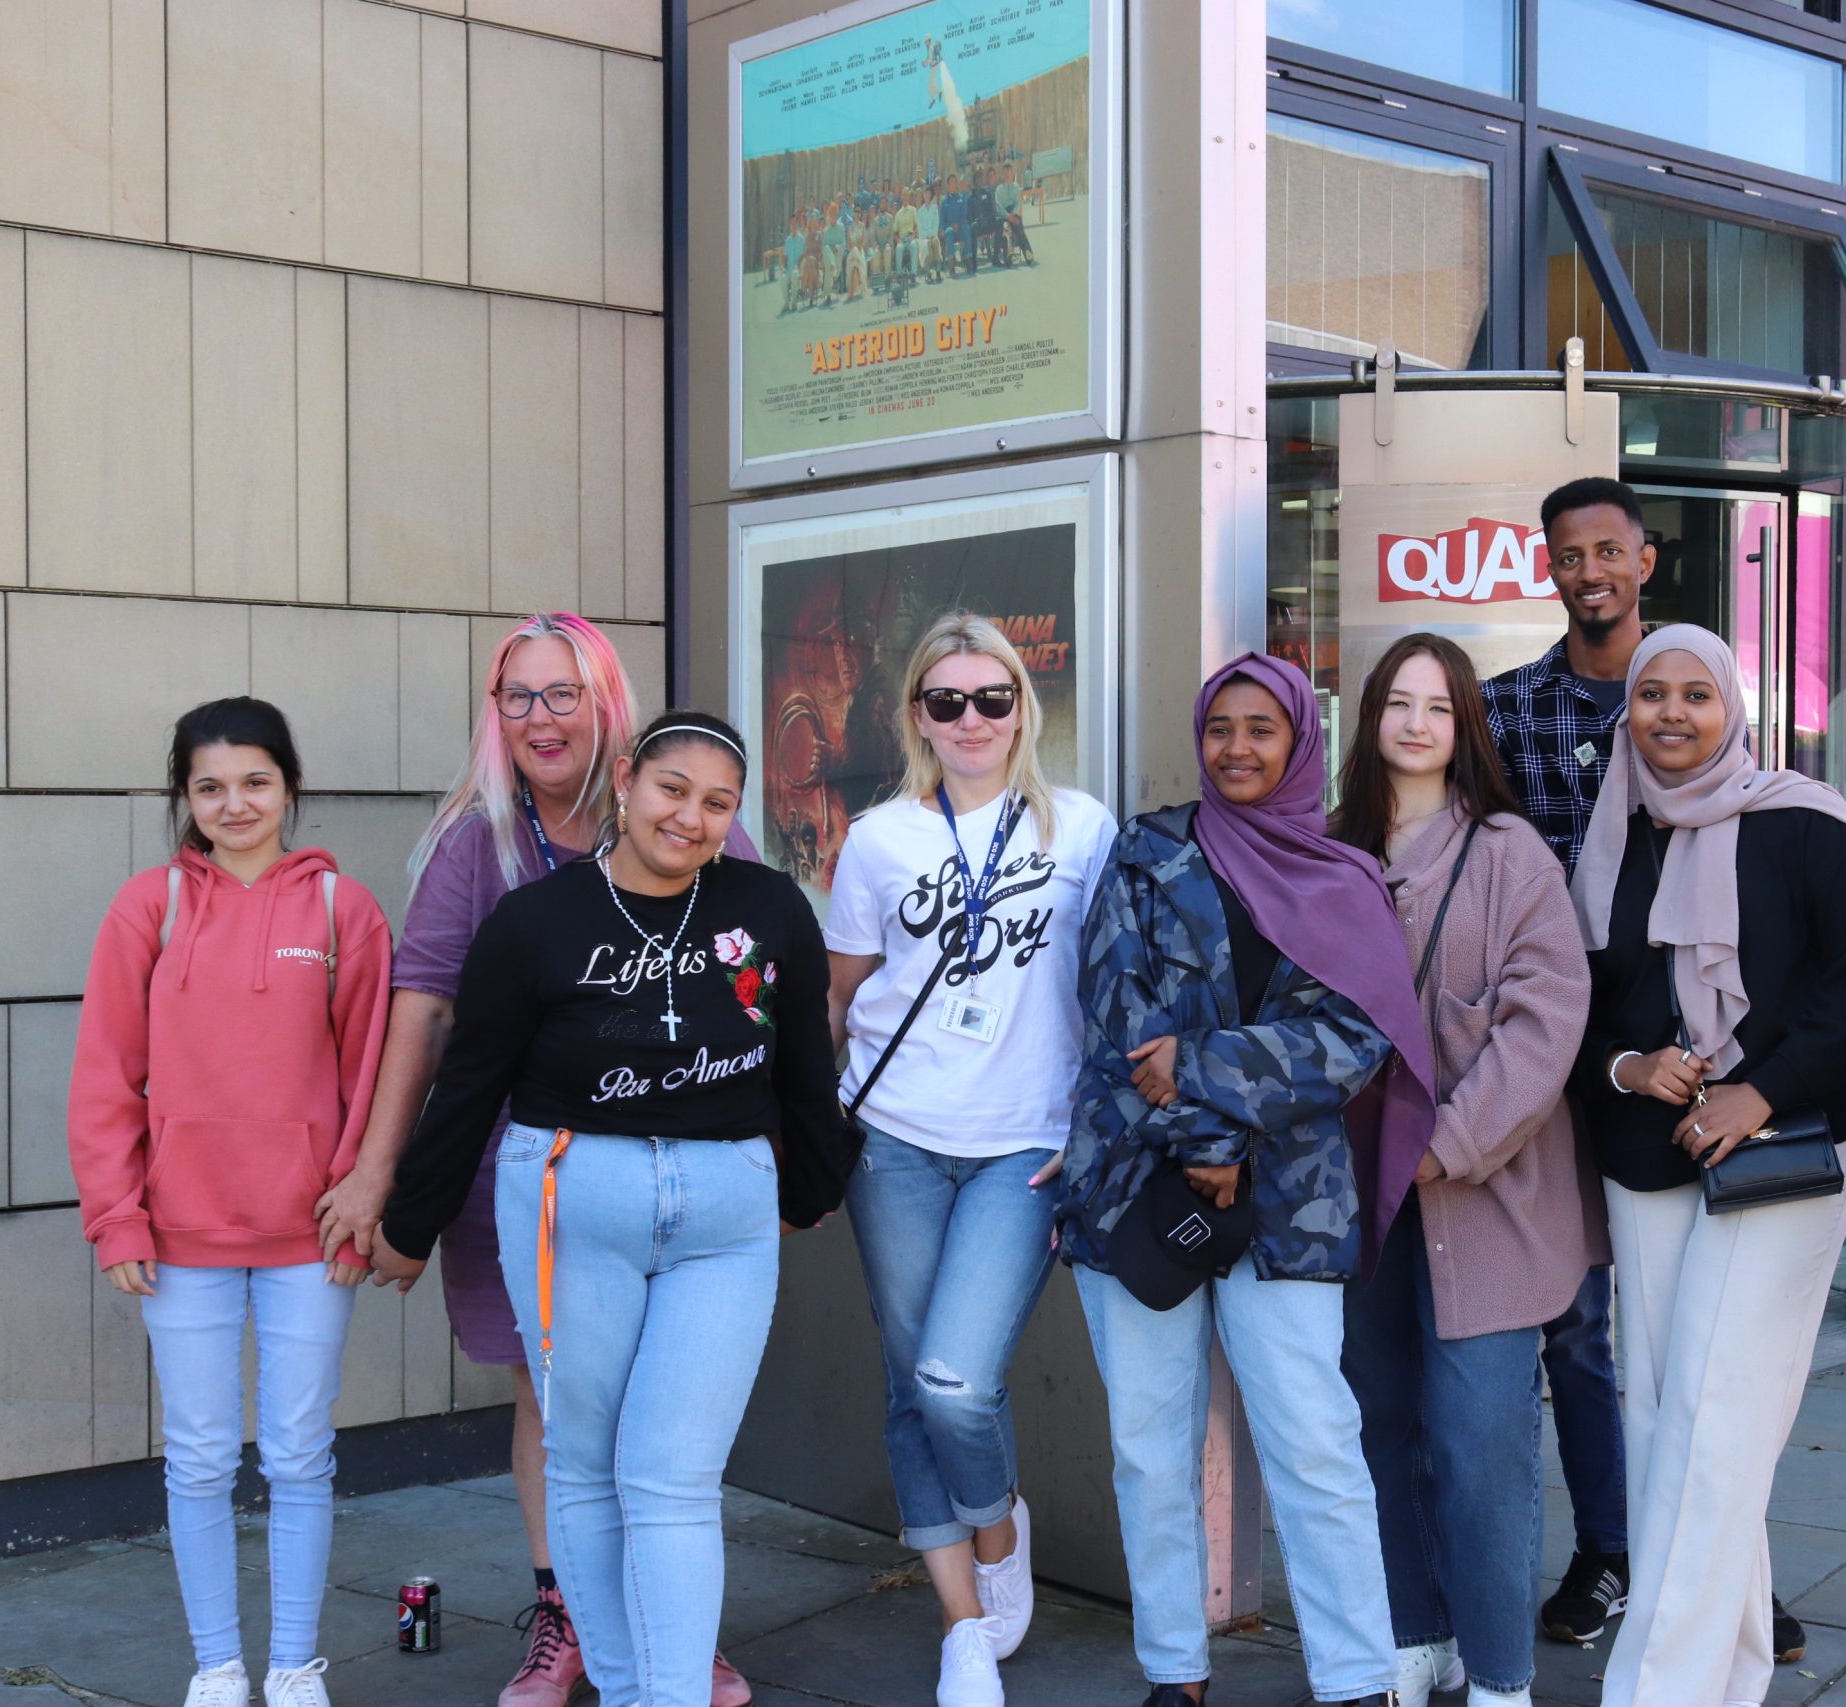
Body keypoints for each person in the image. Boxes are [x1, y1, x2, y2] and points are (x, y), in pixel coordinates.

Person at [314, 613, 760, 1707]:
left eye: (562, 693)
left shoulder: (686, 815)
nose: (539, 718)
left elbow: (767, 991)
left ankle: (666, 1624)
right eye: (517, 696)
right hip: (519, 1174)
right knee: (557, 1404)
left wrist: (782, 1159)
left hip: (685, 1173)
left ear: (606, 703)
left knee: (660, 1417)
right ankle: (571, 1617)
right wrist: (379, 1176)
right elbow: (421, 1012)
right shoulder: (482, 842)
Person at [368, 712, 850, 1707]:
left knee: (673, 1476)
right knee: (585, 1461)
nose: (692, 817)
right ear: (626, 782)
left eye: (718, 802)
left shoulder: (766, 909)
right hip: (569, 1198)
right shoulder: (535, 923)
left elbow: (809, 1067)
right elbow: (471, 1083)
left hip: (724, 1212)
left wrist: (807, 1190)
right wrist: (409, 1221)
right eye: (674, 789)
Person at [1058, 653, 1438, 1707]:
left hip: (1289, 1205)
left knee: (1314, 1444)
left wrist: (1217, 1100)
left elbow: (1355, 1039)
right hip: (1138, 1186)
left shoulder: (1341, 875)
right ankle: (1174, 1672)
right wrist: (1201, 1143)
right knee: (1148, 1447)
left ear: (1298, 742)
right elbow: (1116, 1015)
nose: (1235, 748)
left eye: (1260, 728)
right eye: (1219, 727)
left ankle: (1358, 1680)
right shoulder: (1147, 852)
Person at [1569, 626, 1846, 1707]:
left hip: (1788, 1144)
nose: (1671, 714)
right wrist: (1631, 1064)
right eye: (1650, 694)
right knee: (1665, 1412)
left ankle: (1655, 1687)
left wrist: (1755, 1088)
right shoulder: (1609, 838)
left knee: (1717, 1412)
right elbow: (1574, 1002)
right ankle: (1734, 1664)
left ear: (1733, 709)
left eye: (1694, 695)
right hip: (1644, 1148)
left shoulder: (1807, 824)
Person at [69, 698, 393, 1707]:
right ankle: (217, 1666)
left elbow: (375, 1070)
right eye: (210, 786)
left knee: (301, 1451)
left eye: (255, 781)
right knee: (201, 1455)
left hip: (311, 1236)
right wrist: (116, 1213)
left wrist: (358, 1205)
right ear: (186, 798)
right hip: (182, 1235)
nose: (234, 803)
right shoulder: (148, 907)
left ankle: (293, 1664)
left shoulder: (345, 912)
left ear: (289, 785)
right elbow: (105, 1076)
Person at [824, 615, 1118, 1707]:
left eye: (991, 699)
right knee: (910, 1385)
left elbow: (1116, 989)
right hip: (895, 1141)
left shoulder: (1079, 829)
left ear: (1021, 709)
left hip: (1024, 1145)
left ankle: (996, 1531)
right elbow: (841, 995)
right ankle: (960, 1628)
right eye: (945, 702)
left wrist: (1092, 1127)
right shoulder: (879, 837)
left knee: (954, 1378)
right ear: (917, 718)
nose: (970, 720)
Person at [1330, 636, 1599, 1707]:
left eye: (1436, 708)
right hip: (1356, 1207)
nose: (1413, 725)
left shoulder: (1508, 856)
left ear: (1464, 727)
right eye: (1396, 704)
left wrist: (1443, 1146)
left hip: (1482, 1202)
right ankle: (1413, 1632)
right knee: (1377, 1424)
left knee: (1481, 1443)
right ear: (1369, 720)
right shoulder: (1328, 853)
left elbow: (1546, 1024)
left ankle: (1497, 1673)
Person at [1476, 476, 1648, 1648]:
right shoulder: (1502, 711)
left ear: (1644, 562)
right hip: (1548, 1061)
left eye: (1605, 551)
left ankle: (1712, 1553)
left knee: (1693, 1329)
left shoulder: (1694, 698)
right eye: (1566, 557)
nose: (1586, 572)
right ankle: (1609, 1553)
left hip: (1674, 1057)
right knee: (1576, 1328)